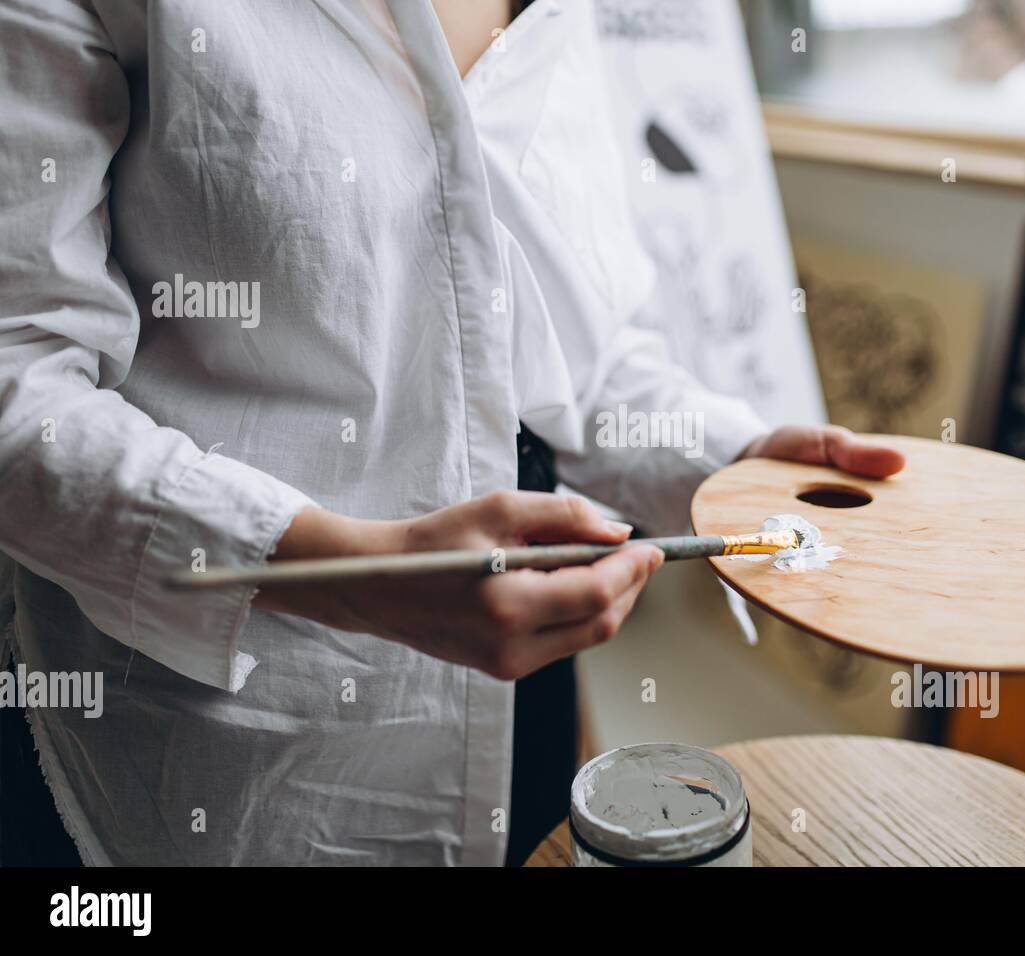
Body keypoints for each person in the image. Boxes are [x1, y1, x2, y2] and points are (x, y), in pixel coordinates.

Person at [0, 0, 903, 866]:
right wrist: (347, 576)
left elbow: (573, 354)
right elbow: (21, 387)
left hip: (528, 702)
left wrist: (741, 459)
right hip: (221, 755)